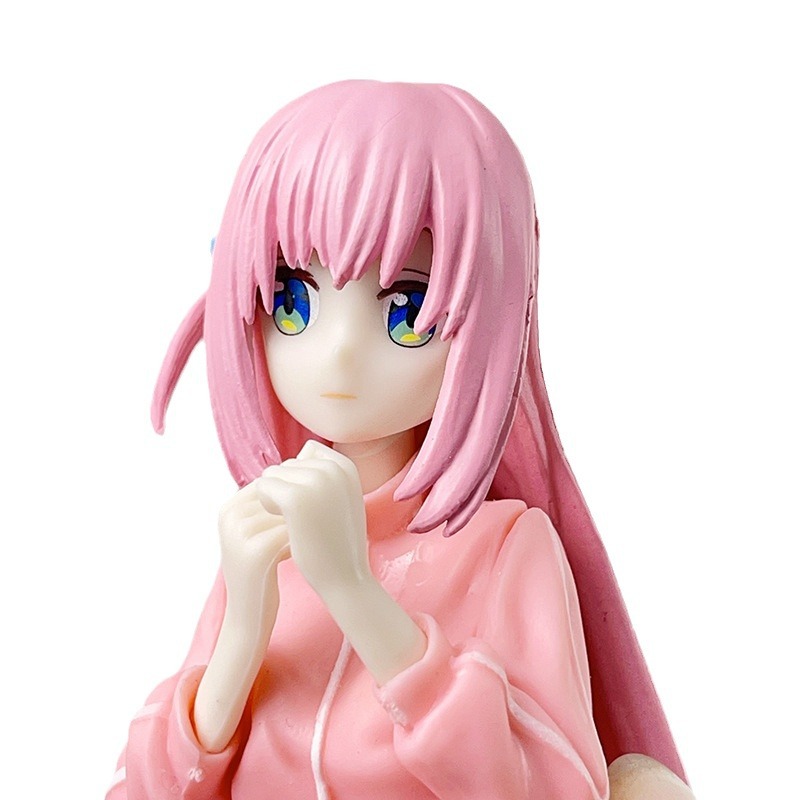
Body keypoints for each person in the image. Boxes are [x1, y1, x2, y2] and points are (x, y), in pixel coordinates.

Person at [108, 80, 692, 799]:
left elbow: (547, 784)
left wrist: (355, 591)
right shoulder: (262, 538)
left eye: (406, 309)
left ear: (488, 318)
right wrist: (240, 637)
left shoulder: (507, 550)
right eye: (293, 301)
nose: (339, 353)